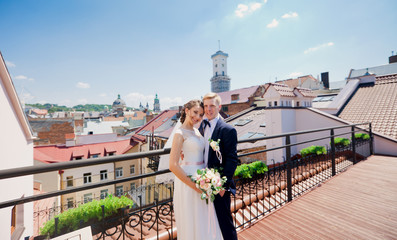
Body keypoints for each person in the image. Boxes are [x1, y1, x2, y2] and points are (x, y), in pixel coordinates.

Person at [169, 99, 223, 240]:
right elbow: (173, 165)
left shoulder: (197, 132)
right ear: (187, 111)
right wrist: (194, 185)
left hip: (202, 180)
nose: (198, 117)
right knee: (191, 219)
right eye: (195, 112)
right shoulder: (179, 133)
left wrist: (209, 178)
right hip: (188, 183)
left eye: (200, 114)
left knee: (203, 219)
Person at [199, 92, 238, 240]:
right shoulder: (202, 127)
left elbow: (232, 160)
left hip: (219, 185)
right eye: (206, 106)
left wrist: (222, 185)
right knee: (208, 223)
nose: (208, 109)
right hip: (203, 182)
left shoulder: (228, 130)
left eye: (212, 106)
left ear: (219, 107)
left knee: (225, 223)